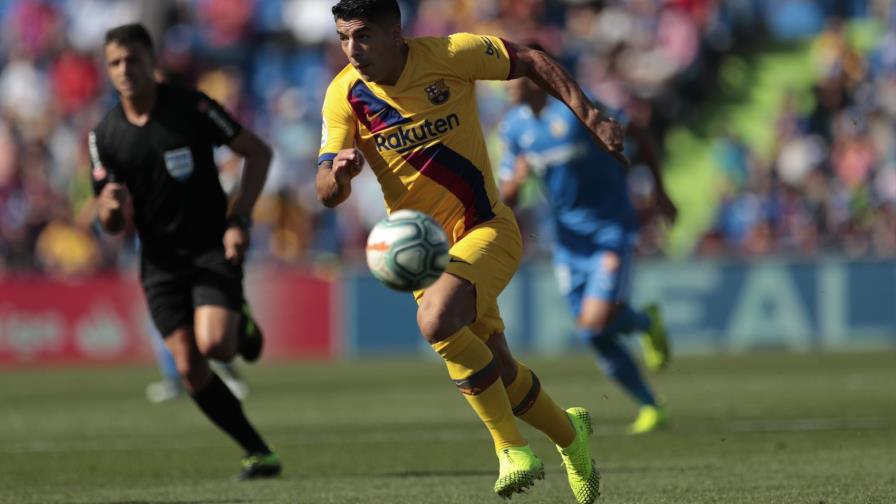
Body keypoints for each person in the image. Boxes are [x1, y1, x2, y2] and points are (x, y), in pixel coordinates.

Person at [317, 1, 629, 501]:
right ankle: (573, 438)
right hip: (424, 257)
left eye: (363, 35)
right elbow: (326, 189)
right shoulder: (343, 96)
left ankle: (511, 449)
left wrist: (589, 114)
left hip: (487, 227)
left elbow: (529, 59)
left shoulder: (451, 53)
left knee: (436, 322)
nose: (352, 49)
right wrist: (339, 176)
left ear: (396, 32)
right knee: (499, 371)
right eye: (343, 38)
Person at [90, 23, 279, 479]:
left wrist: (240, 218)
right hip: (158, 262)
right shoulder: (105, 134)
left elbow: (257, 152)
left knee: (216, 344)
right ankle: (258, 452)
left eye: (132, 59)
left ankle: (241, 321)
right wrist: (109, 208)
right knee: (189, 367)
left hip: (212, 245)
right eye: (115, 62)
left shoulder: (190, 106)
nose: (124, 70)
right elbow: (111, 224)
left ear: (152, 61)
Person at [498, 45, 678, 435]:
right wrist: (518, 177)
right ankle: (650, 401)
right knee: (590, 333)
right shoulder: (514, 128)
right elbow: (507, 196)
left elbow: (639, 132)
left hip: (610, 227)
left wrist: (659, 192)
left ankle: (644, 323)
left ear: (534, 77)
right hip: (567, 240)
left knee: (597, 322)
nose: (504, 83)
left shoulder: (577, 110)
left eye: (511, 74)